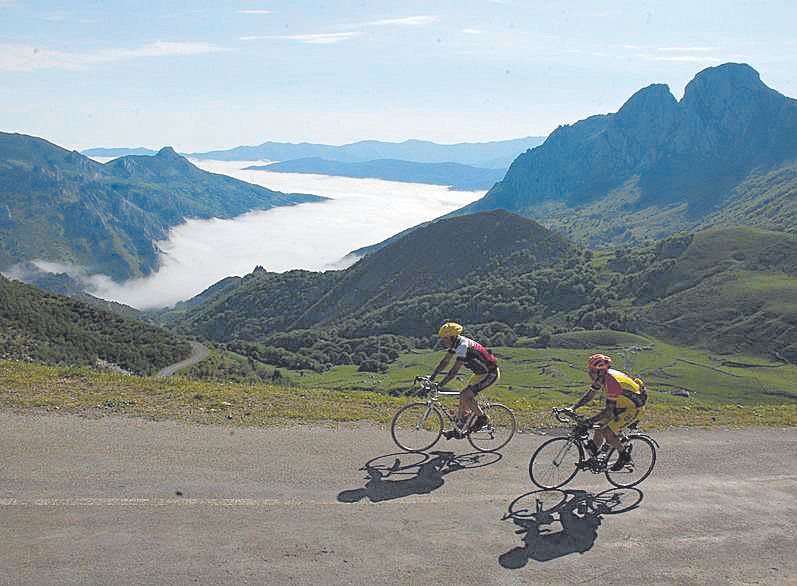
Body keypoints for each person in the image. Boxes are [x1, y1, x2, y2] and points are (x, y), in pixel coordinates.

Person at [571, 353, 647, 471]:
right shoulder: (602, 377)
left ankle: (624, 456)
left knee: (607, 431)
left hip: (633, 408)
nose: (590, 373)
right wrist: (573, 408)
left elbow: (608, 412)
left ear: (601, 371)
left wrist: (588, 421)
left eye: (592, 371)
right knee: (598, 427)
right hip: (621, 403)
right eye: (590, 370)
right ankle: (594, 457)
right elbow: (590, 394)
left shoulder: (612, 384)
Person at [429, 322, 500, 439]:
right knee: (463, 398)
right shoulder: (455, 344)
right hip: (479, 374)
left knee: (466, 395)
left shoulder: (462, 346)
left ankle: (482, 418)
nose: (443, 342)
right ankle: (459, 429)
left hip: (490, 374)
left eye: (445, 339)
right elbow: (445, 362)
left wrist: (440, 385)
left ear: (452, 337)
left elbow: (454, 371)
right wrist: (433, 376)